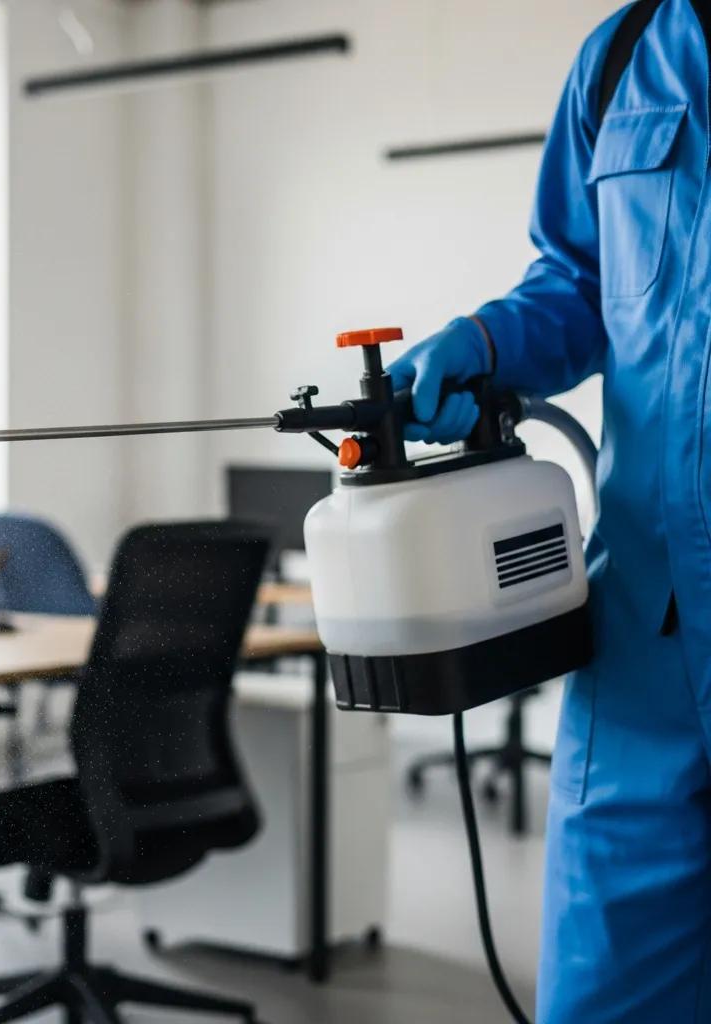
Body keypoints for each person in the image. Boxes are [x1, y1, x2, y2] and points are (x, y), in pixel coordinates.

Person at [386, 2, 711, 1021]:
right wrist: (486, 343)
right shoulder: (622, 60)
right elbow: (579, 282)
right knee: (603, 994)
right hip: (648, 638)